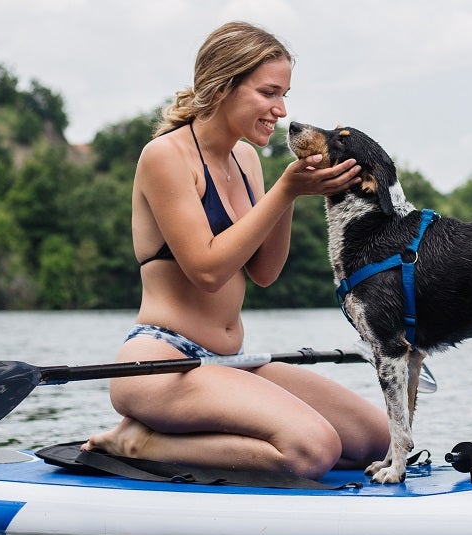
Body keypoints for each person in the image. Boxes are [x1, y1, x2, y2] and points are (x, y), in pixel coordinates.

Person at [83, 22, 390, 480]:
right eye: (269, 93)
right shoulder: (166, 156)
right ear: (225, 85)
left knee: (373, 440)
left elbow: (264, 272)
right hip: (162, 364)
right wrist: (284, 192)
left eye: (284, 94)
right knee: (313, 450)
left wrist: (291, 196)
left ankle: (192, 441)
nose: (281, 110)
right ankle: (141, 440)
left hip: (230, 361)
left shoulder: (246, 161)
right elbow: (206, 271)